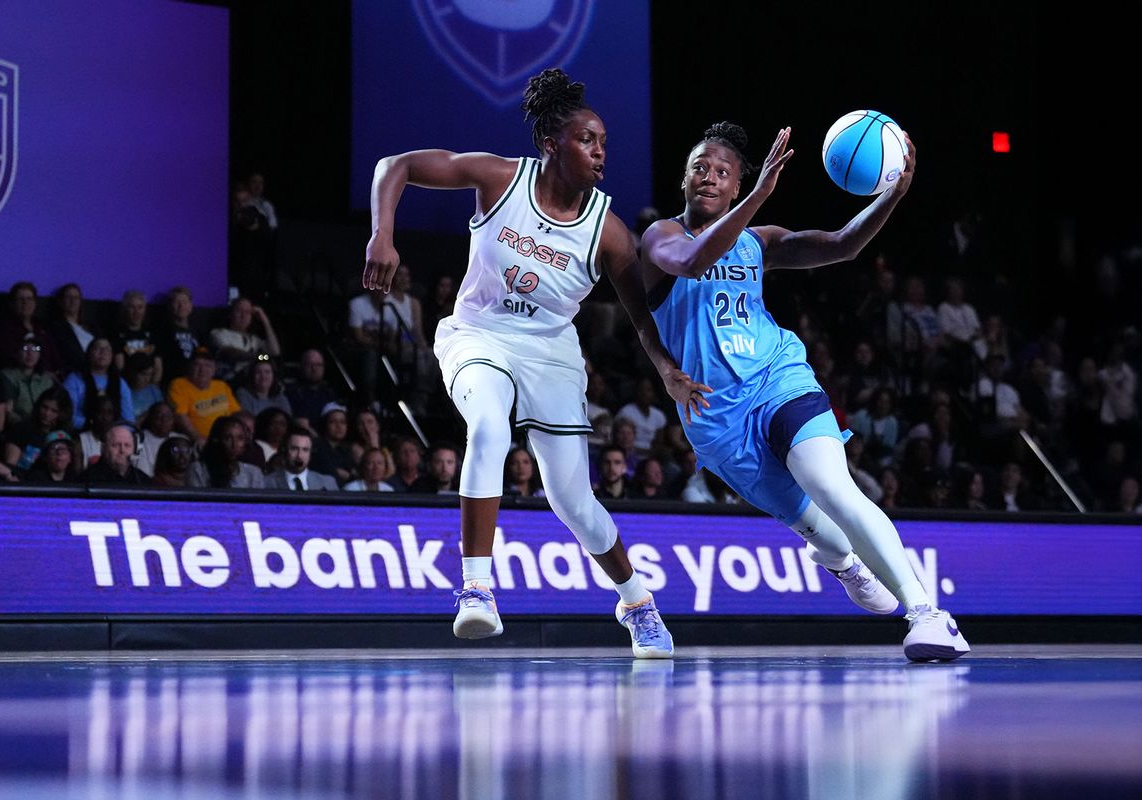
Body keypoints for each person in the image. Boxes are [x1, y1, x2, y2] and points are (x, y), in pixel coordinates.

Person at [364, 68, 708, 657]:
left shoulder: (611, 233)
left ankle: (637, 601)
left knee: (574, 502)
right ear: (551, 144)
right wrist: (382, 236)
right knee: (489, 428)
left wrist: (667, 372)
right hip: (478, 335)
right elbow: (393, 165)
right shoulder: (499, 179)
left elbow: (640, 318)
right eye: (587, 140)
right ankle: (476, 589)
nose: (601, 151)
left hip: (551, 353)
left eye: (604, 142)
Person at [640, 121, 968, 661]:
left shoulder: (757, 242)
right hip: (716, 418)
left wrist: (892, 196)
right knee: (819, 529)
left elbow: (843, 245)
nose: (710, 177)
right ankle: (843, 564)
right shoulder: (661, 238)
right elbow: (693, 262)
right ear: (684, 178)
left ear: (736, 184)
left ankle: (928, 616)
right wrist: (760, 195)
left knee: (831, 484)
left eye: (723, 172)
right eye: (700, 166)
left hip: (778, 377)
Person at [166, 348, 241, 447]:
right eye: (197, 365)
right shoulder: (179, 385)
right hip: (197, 441)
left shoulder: (221, 386)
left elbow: (236, 413)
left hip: (227, 440)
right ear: (189, 367)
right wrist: (197, 437)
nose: (202, 370)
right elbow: (180, 416)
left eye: (207, 365)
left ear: (214, 369)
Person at [62, 338, 133, 431]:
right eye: (97, 348)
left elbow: (129, 421)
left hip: (113, 435)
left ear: (112, 356)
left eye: (107, 349)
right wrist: (96, 426)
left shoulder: (120, 383)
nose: (103, 352)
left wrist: (112, 430)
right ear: (89, 353)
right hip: (81, 432)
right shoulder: (74, 379)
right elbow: (69, 417)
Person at [187, 416, 266, 489]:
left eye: (240, 438)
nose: (234, 444)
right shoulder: (198, 470)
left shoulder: (253, 473)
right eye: (227, 438)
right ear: (216, 440)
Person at [1, 333, 57, 425]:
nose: (30, 353)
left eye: (35, 349)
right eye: (25, 348)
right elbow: (9, 412)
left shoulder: (47, 379)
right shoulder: (7, 377)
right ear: (17, 352)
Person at [264, 427, 339, 491]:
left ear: (311, 453)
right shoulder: (267, 482)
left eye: (305, 450)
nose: (299, 456)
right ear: (284, 449)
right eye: (294, 449)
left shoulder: (327, 483)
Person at [49, 283, 97, 375]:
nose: (73, 301)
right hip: (76, 372)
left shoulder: (92, 328)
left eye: (76, 298)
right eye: (68, 297)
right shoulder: (55, 328)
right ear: (60, 301)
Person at [83, 422, 151, 485]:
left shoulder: (143, 481)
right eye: (116, 445)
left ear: (135, 450)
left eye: (127, 445)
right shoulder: (87, 479)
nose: (122, 450)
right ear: (103, 448)